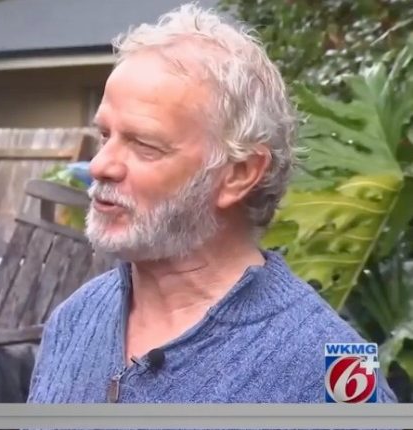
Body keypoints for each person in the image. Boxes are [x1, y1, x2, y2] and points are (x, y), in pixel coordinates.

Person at [26, 3, 397, 403]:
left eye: (144, 145)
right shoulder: (74, 320)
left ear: (239, 174)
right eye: (105, 136)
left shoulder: (333, 370)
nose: (100, 165)